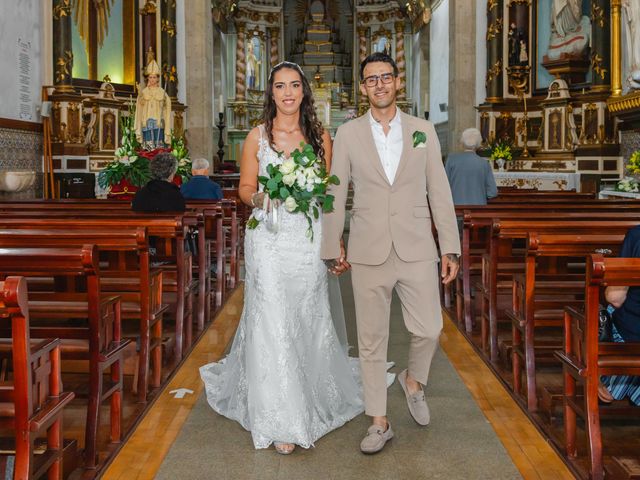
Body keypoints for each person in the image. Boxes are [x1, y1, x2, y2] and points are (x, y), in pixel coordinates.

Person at [199, 61, 364, 455]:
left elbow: (328, 198)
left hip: (305, 242)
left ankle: (308, 393)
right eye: (279, 86)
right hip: (268, 239)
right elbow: (244, 188)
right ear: (270, 93)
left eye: (294, 85)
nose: (287, 92)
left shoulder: (322, 138)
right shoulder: (256, 137)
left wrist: (334, 243)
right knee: (272, 318)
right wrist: (258, 198)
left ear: (304, 91)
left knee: (306, 314)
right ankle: (280, 417)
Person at [321, 52, 461, 454]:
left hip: (417, 243)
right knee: (370, 340)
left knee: (430, 327)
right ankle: (379, 421)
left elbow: (439, 189)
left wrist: (449, 245)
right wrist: (332, 244)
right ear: (362, 87)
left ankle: (413, 380)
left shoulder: (423, 130)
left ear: (398, 82)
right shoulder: (347, 133)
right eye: (371, 79)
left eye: (386, 77)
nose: (379, 84)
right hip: (368, 246)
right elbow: (335, 190)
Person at [599, 225, 640, 404]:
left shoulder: (637, 235)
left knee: (601, 312)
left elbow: (615, 298)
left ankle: (610, 385)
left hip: (634, 333)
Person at [445, 128, 498, 206]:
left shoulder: (451, 160)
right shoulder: (484, 163)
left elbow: (444, 187)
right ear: (478, 143)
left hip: (455, 210)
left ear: (462, 142)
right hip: (478, 212)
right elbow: (492, 192)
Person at [134, 59, 172, 147]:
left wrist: (165, 102)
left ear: (158, 78)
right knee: (148, 145)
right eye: (150, 77)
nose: (152, 79)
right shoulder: (144, 91)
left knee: (158, 144)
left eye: (154, 77)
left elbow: (167, 105)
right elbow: (141, 104)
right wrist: (140, 95)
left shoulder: (162, 91)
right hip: (147, 120)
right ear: (148, 78)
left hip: (158, 120)